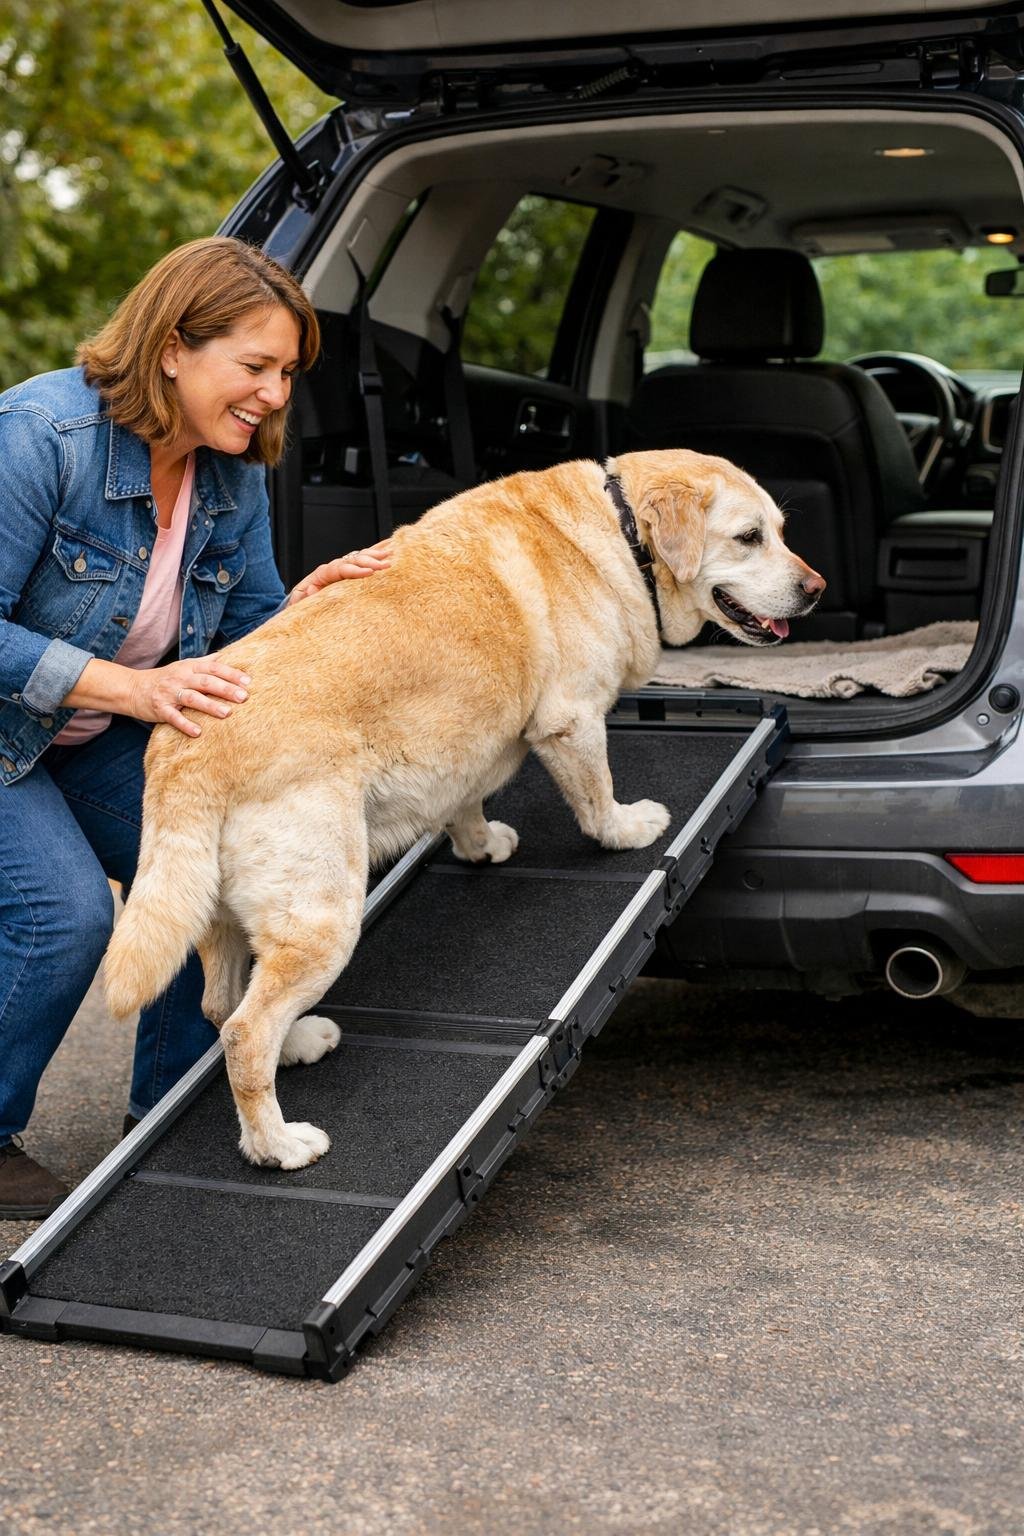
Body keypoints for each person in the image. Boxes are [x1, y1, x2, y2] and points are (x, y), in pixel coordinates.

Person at [0, 236, 390, 1218]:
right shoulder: (39, 435)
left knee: (213, 864)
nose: (271, 394)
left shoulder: (228, 474)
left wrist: (313, 607)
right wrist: (132, 693)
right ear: (173, 347)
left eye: (287, 374)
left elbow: (253, 631)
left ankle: (165, 1115)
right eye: (253, 365)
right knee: (65, 917)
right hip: (12, 732)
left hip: (83, 735)